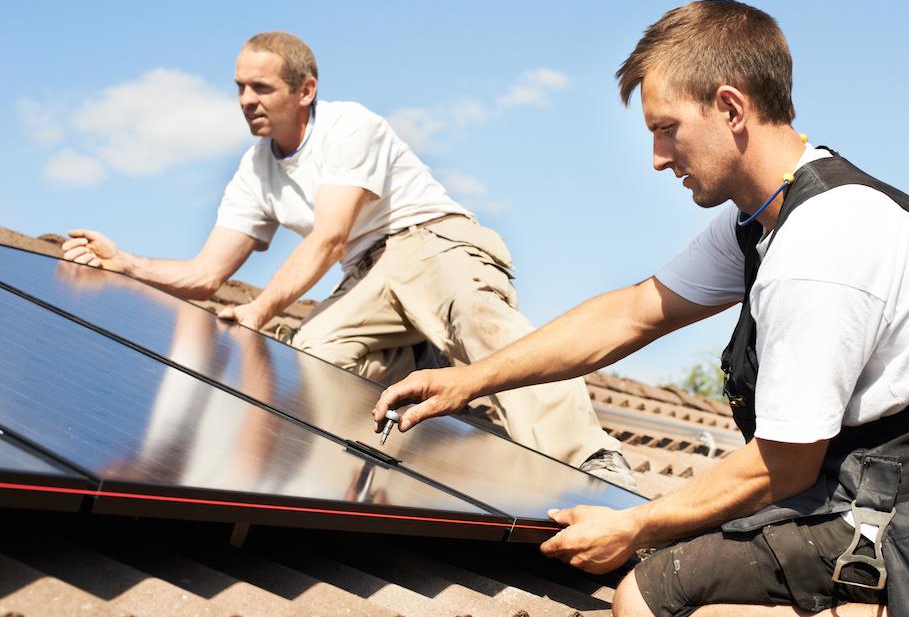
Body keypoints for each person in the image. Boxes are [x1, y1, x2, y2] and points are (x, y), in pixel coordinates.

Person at [372, 0, 909, 617]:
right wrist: (470, 378)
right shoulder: (769, 215)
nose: (657, 156)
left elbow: (786, 465)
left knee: (649, 603)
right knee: (678, 546)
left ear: (731, 107)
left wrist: (639, 525)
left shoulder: (823, 246)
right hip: (906, 488)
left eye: (666, 128)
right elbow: (635, 312)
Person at [60, 31, 635, 488]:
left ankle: (590, 468)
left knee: (479, 319)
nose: (245, 101)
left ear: (304, 90)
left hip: (430, 242)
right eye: (239, 88)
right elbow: (207, 274)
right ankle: (408, 411)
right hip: (368, 277)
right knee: (313, 354)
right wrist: (127, 263)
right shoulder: (255, 170)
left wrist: (260, 309)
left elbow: (329, 237)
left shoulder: (349, 126)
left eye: (260, 88)